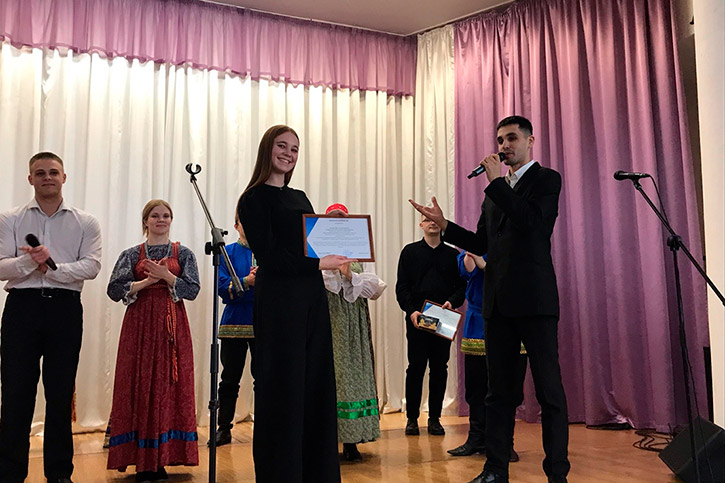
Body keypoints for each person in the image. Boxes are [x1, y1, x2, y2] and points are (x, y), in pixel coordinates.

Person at [410, 115, 570, 483]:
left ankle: (557, 474)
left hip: (535, 302)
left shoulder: (546, 180)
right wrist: (446, 226)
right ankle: (495, 470)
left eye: (512, 138)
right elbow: (481, 243)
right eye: (500, 140)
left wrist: (497, 183)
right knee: (498, 393)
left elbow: (533, 224)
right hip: (497, 304)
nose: (504, 146)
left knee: (549, 391)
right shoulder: (495, 192)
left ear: (530, 141)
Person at [237, 125, 350, 482]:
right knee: (283, 388)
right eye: (282, 146)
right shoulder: (252, 199)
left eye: (295, 149)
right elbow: (270, 256)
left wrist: (339, 241)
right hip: (279, 303)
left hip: (311, 298)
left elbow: (310, 245)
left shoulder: (300, 196)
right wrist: (318, 263)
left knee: (315, 384)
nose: (289, 153)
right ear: (267, 149)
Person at [0, 152, 102, 483]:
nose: (48, 178)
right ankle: (10, 473)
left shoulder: (85, 222)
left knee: (59, 393)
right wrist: (29, 262)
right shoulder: (9, 219)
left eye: (54, 172)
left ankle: (59, 474)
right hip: (22, 308)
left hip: (65, 310)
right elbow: (1, 266)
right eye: (40, 173)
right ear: (30, 178)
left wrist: (50, 268)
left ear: (64, 177)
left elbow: (92, 266)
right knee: (15, 393)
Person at [106, 199, 200, 482]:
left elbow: (193, 290)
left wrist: (167, 276)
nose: (161, 220)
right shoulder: (130, 254)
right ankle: (141, 459)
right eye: (155, 215)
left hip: (172, 325)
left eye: (166, 215)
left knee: (168, 385)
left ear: (171, 220)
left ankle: (163, 457)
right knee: (138, 383)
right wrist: (146, 282)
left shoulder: (184, 253)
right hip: (139, 325)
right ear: (145, 221)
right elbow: (114, 289)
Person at [447, 252, 526, 462]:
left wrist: (485, 264)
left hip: (512, 320)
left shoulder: (517, 245)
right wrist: (473, 252)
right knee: (476, 386)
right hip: (478, 322)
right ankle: (477, 438)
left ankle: (505, 442)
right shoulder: (471, 249)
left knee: (508, 387)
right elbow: (466, 271)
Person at [321, 203, 385, 462]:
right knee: (328, 375)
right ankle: (325, 439)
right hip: (326, 317)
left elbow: (375, 287)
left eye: (342, 220)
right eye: (333, 220)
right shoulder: (318, 252)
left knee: (352, 374)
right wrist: (333, 272)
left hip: (353, 322)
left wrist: (350, 277)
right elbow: (322, 284)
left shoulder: (359, 252)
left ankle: (351, 439)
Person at [395, 213, 466, 436]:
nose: (432, 222)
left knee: (439, 367)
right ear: (421, 225)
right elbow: (402, 287)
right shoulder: (409, 252)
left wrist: (452, 302)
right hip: (418, 318)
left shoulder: (453, 255)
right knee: (416, 366)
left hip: (443, 317)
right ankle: (412, 419)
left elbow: (462, 286)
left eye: (435, 219)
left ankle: (435, 418)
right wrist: (411, 311)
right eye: (427, 219)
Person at [211, 213, 256, 447]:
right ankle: (224, 427)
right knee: (229, 378)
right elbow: (221, 286)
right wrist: (247, 281)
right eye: (244, 222)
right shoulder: (227, 252)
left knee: (264, 378)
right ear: (236, 226)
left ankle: (267, 426)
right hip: (234, 323)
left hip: (263, 321)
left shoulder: (269, 252)